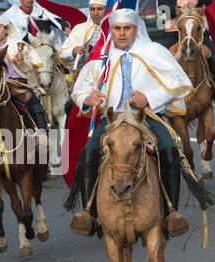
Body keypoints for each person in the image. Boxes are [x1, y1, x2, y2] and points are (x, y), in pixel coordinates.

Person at [71, 8, 192, 237]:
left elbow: (178, 82)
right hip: (114, 120)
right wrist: (86, 98)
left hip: (147, 117)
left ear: (136, 29)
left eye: (127, 28)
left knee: (168, 149)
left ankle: (171, 213)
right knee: (88, 153)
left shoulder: (154, 51)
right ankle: (90, 213)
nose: (122, 33)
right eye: (117, 29)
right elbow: (80, 87)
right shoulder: (101, 60)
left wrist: (149, 98)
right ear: (112, 31)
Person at [158, 0, 215, 119]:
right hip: (173, 32)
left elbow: (208, 1)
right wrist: (179, 8)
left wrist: (197, 1)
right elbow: (162, 10)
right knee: (158, 61)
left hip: (198, 31)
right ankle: (158, 106)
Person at [0, 15, 48, 132]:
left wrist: (22, 60)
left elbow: (29, 69)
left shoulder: (18, 44)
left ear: (6, 29)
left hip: (18, 84)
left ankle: (42, 133)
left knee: (34, 103)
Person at [58, 0, 106, 72]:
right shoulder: (80, 28)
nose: (96, 13)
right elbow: (62, 54)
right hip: (83, 76)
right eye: (92, 9)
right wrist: (73, 51)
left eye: (100, 9)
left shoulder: (116, 28)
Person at [2, 0, 71, 47]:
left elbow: (56, 20)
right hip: (26, 49)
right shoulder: (13, 17)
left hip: (45, 47)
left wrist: (66, 28)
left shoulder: (40, 12)